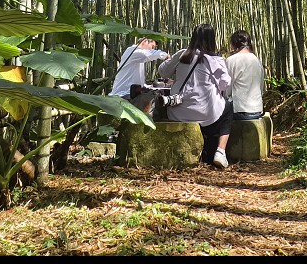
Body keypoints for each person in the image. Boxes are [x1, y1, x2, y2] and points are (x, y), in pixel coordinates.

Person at [158, 24, 233, 169]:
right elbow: (225, 84)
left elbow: (163, 72)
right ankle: (220, 151)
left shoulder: (182, 54)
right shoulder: (215, 60)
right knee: (229, 107)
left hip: (178, 112)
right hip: (207, 115)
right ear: (212, 39)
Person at [109, 38, 170, 113]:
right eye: (152, 46)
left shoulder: (138, 56)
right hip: (123, 96)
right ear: (144, 41)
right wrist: (166, 56)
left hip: (129, 94)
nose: (152, 49)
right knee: (154, 100)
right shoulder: (133, 51)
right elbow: (149, 54)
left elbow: (139, 83)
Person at [226, 30, 265, 121]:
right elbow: (261, 87)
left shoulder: (231, 60)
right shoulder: (256, 60)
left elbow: (227, 90)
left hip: (239, 111)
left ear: (233, 44)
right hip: (257, 110)